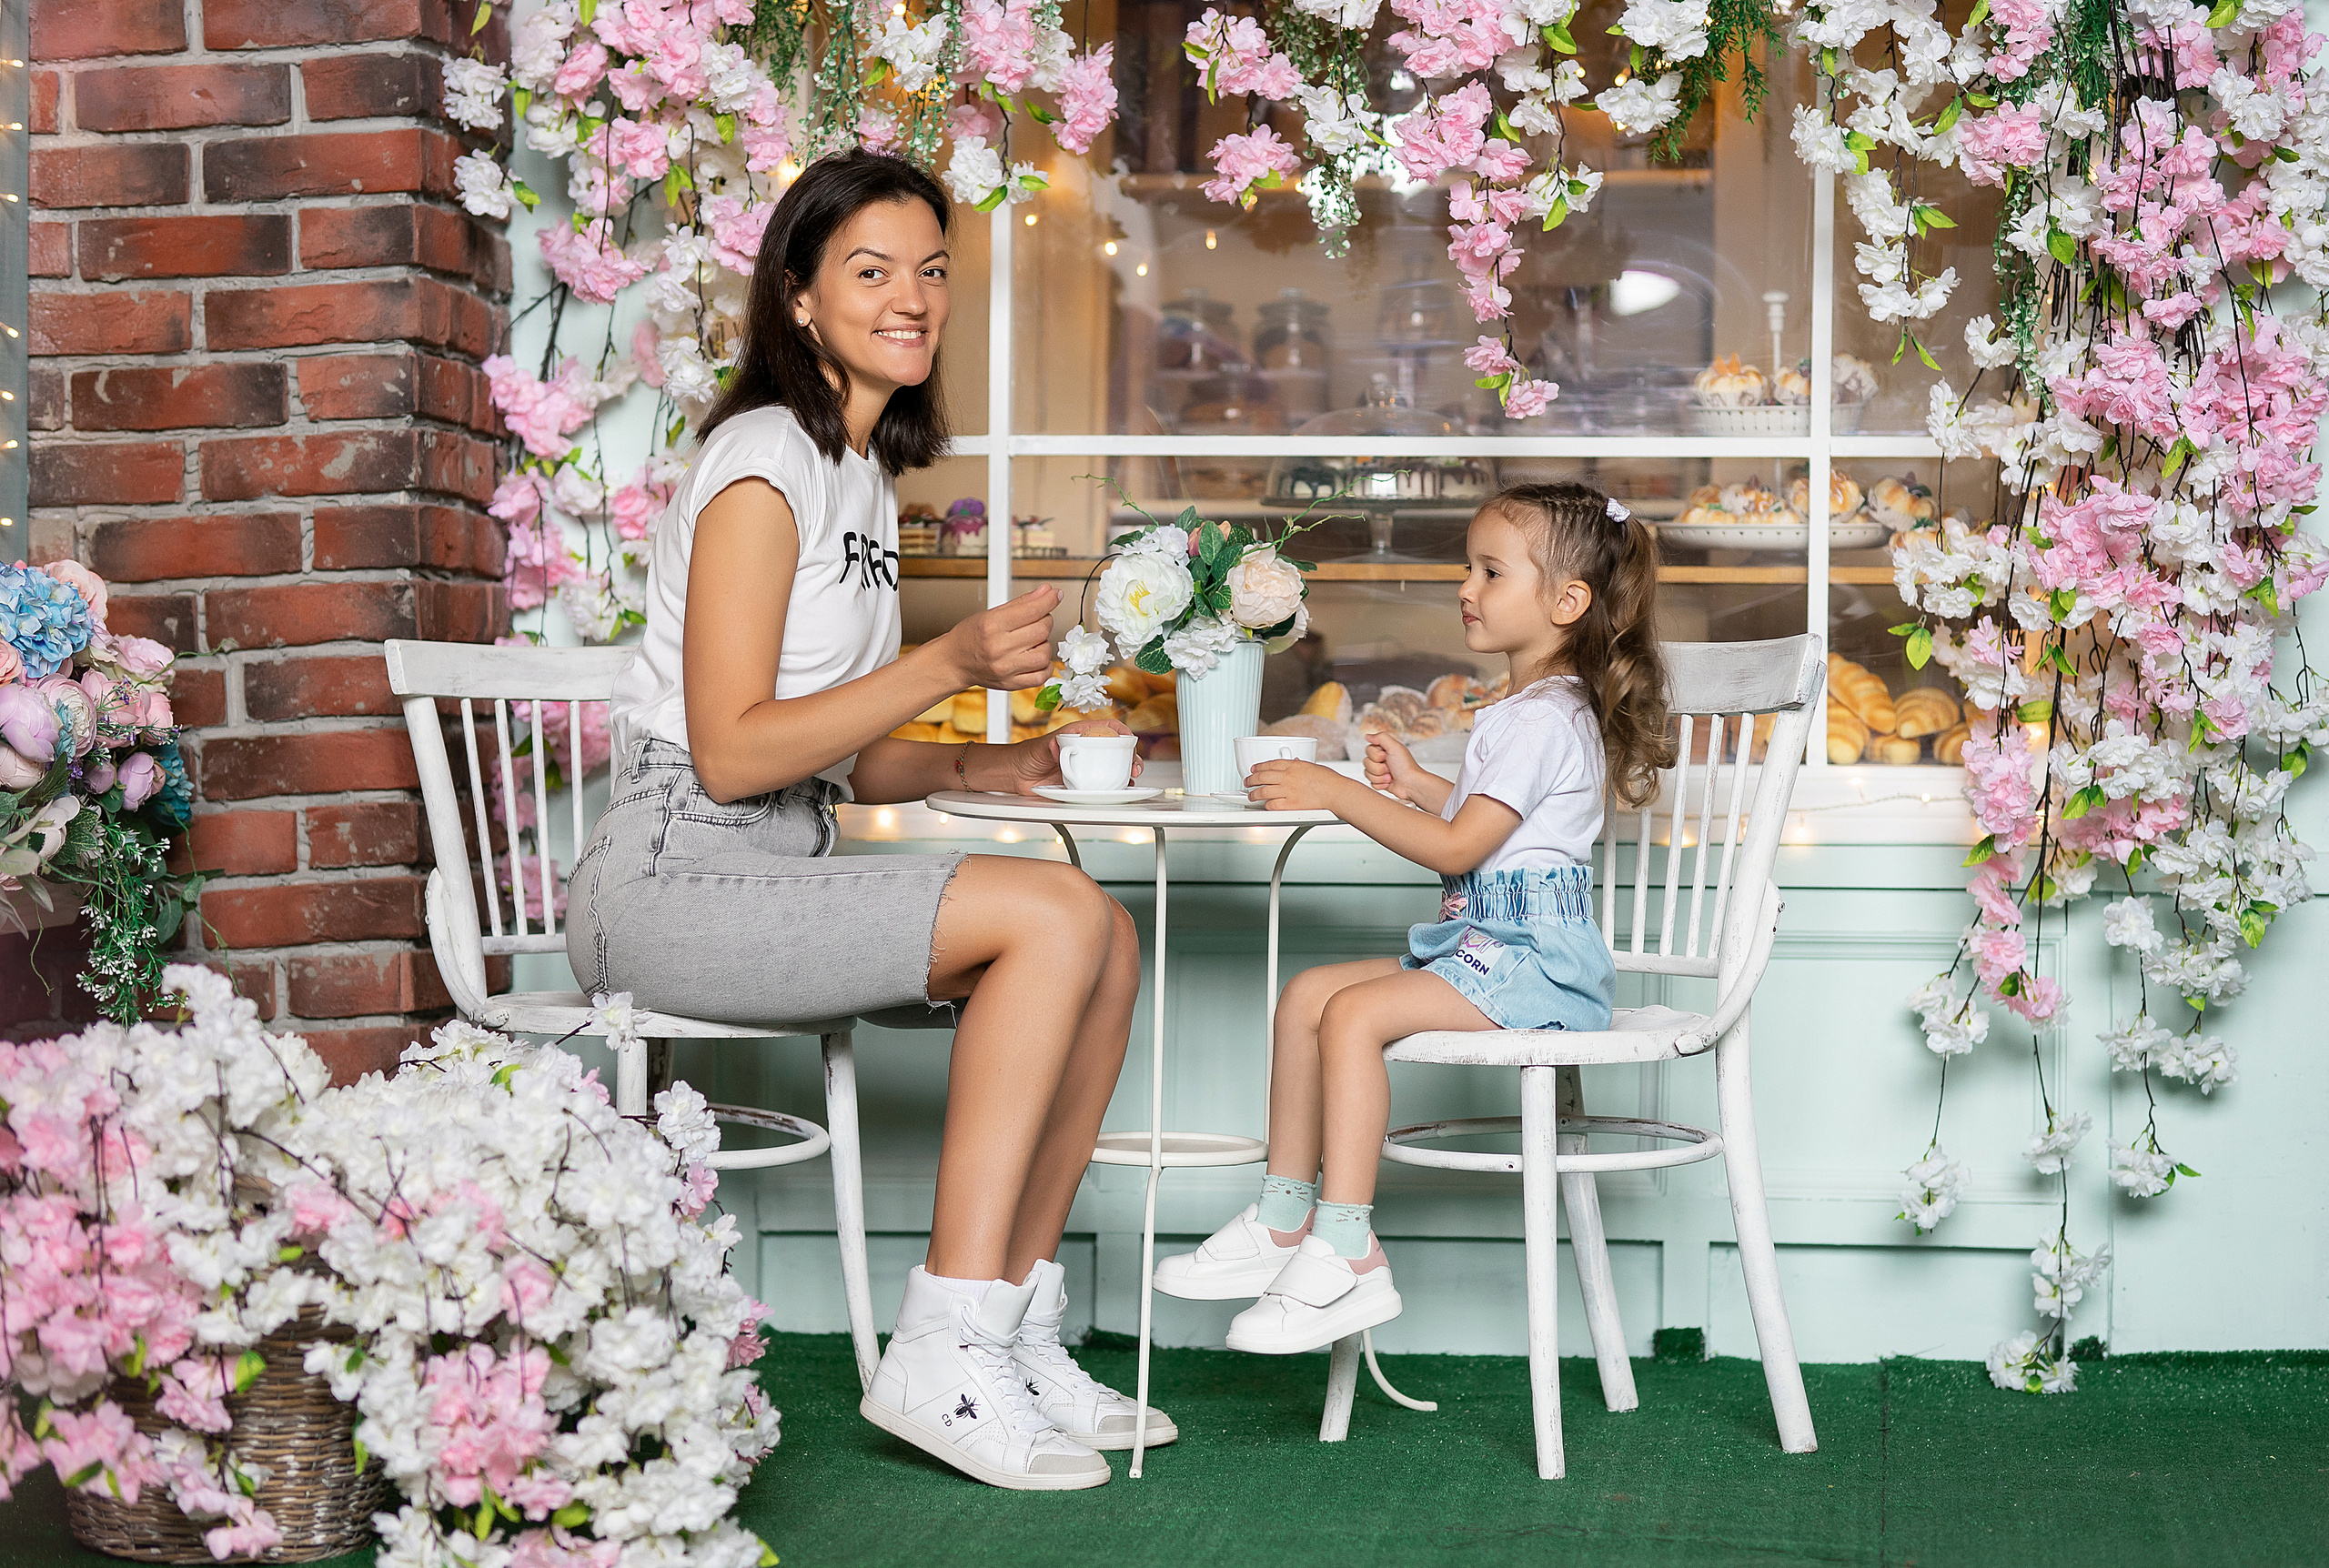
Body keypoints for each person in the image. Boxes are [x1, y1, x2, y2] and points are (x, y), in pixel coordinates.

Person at [569, 150, 1172, 1492]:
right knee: (1056, 917)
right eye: (871, 270)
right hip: (669, 878)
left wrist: (992, 769)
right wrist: (953, 666)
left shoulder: (854, 471)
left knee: (1102, 937)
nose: (913, 297)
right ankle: (944, 1345)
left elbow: (830, 754)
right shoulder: (761, 462)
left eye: (933, 270)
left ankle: (1008, 1325)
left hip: (778, 860)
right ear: (796, 296)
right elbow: (728, 755)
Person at [1150, 482, 1672, 1355]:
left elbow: (1459, 851)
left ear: (1566, 602)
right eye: (1467, 567)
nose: (1465, 587)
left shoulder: (1544, 717)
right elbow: (1499, 824)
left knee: (1353, 1013)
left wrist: (1343, 793)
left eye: (1491, 571)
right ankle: (1284, 1216)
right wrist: (1420, 785)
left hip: (1536, 963)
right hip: (1488, 950)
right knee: (1310, 993)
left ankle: (1346, 1244)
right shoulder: (1522, 709)